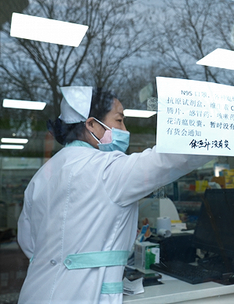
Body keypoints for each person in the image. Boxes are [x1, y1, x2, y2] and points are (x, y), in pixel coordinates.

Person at [17, 87, 212, 303]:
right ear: (91, 124)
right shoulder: (107, 169)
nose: (124, 129)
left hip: (36, 290)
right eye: (119, 120)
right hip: (83, 295)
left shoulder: (43, 174)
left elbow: (29, 242)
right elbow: (171, 160)